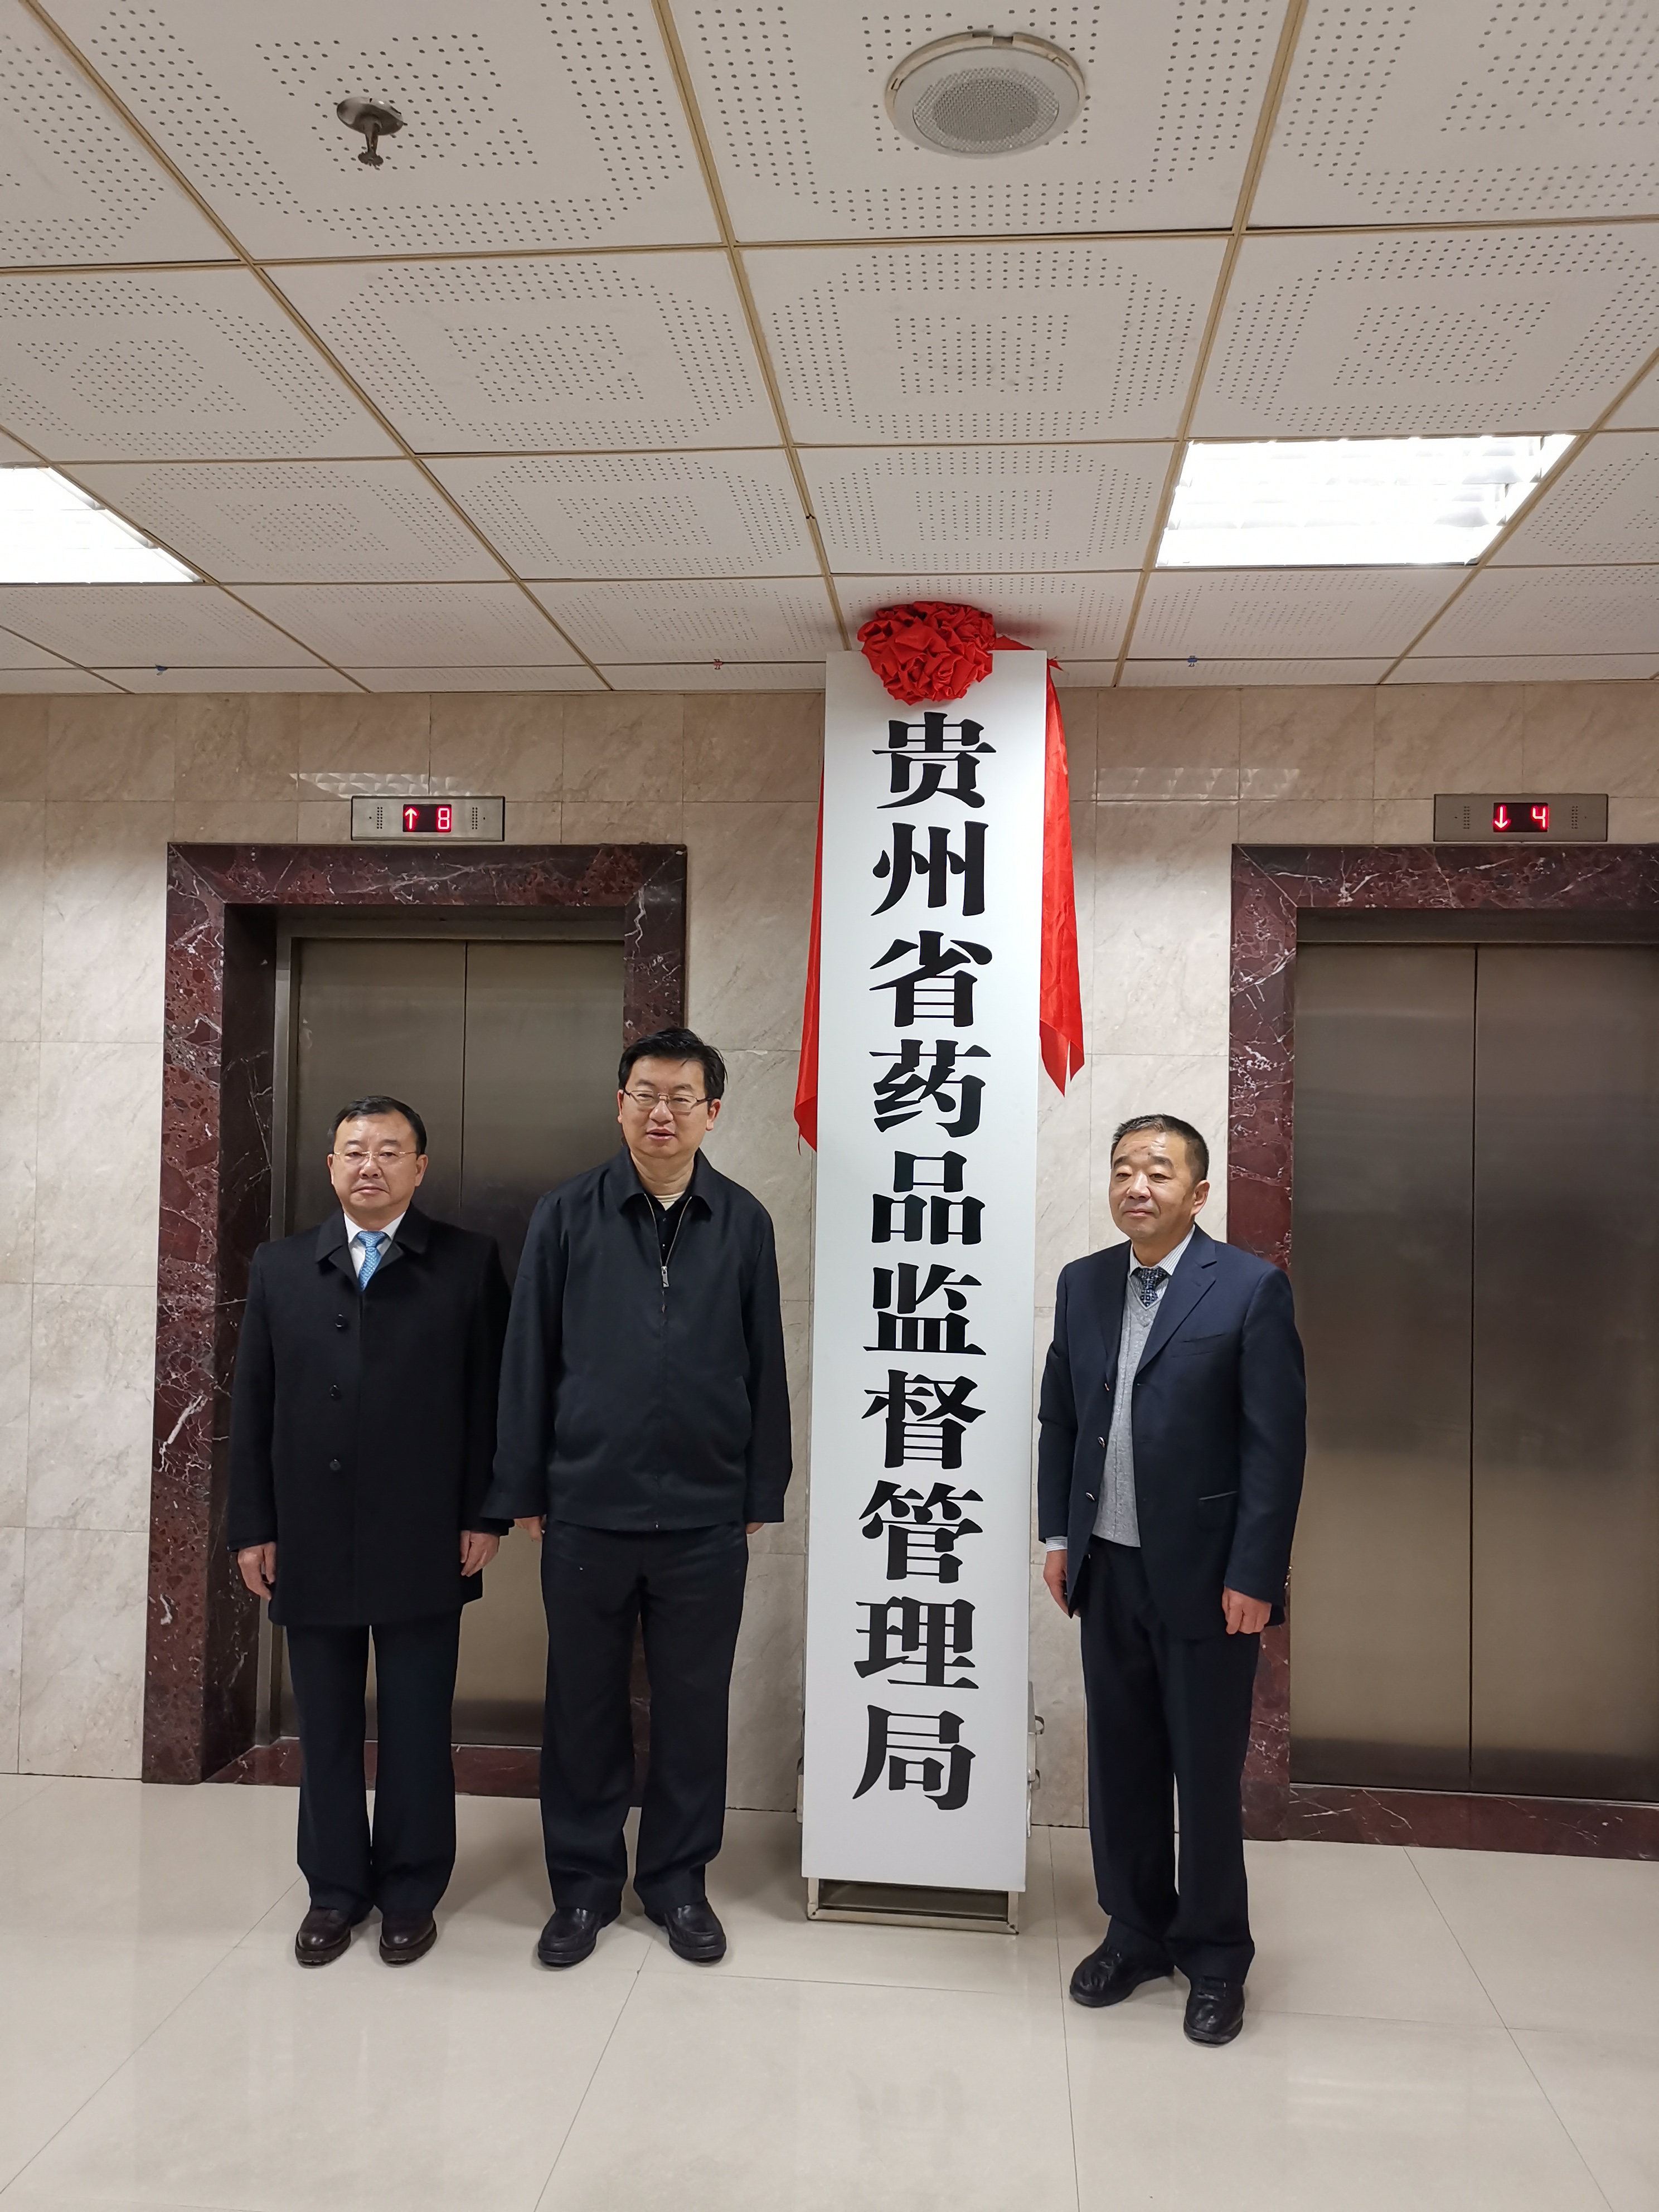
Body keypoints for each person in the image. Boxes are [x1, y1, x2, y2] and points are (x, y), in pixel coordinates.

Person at [486, 1027, 790, 1970]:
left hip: (705, 1514)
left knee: (694, 1710)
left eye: (682, 1097)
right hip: (587, 1506)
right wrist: (521, 1483)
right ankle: (582, 1888)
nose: (663, 1113)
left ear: (712, 1112)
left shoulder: (743, 1221)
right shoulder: (566, 1214)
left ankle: (677, 1884)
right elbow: (528, 1354)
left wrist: (762, 1484)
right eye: (646, 1094)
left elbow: (765, 1362)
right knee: (583, 1707)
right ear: (619, 1104)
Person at [1038, 1114, 1304, 2046]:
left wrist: (1255, 1573)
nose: (1136, 1186)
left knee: (1204, 1772)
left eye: (1157, 1171)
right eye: (1122, 1170)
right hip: (1106, 1567)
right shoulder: (1083, 1284)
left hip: (1208, 1579)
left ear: (1199, 1193)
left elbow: (1275, 1448)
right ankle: (1137, 1932)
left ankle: (1217, 1954)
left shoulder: (1250, 1289)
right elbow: (1062, 1418)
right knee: (1122, 1765)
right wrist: (1058, 1536)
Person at [228, 1095, 510, 1969]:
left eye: (390, 1151)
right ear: (330, 1166)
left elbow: (490, 1400)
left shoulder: (467, 1263)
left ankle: (411, 1890)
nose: (370, 1166)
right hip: (308, 1534)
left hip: (425, 1532)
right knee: (326, 1724)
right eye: (354, 1150)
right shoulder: (280, 1268)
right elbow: (253, 1408)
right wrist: (253, 1528)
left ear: (420, 1167)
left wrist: (484, 1513)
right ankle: (334, 1890)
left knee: (419, 1722)